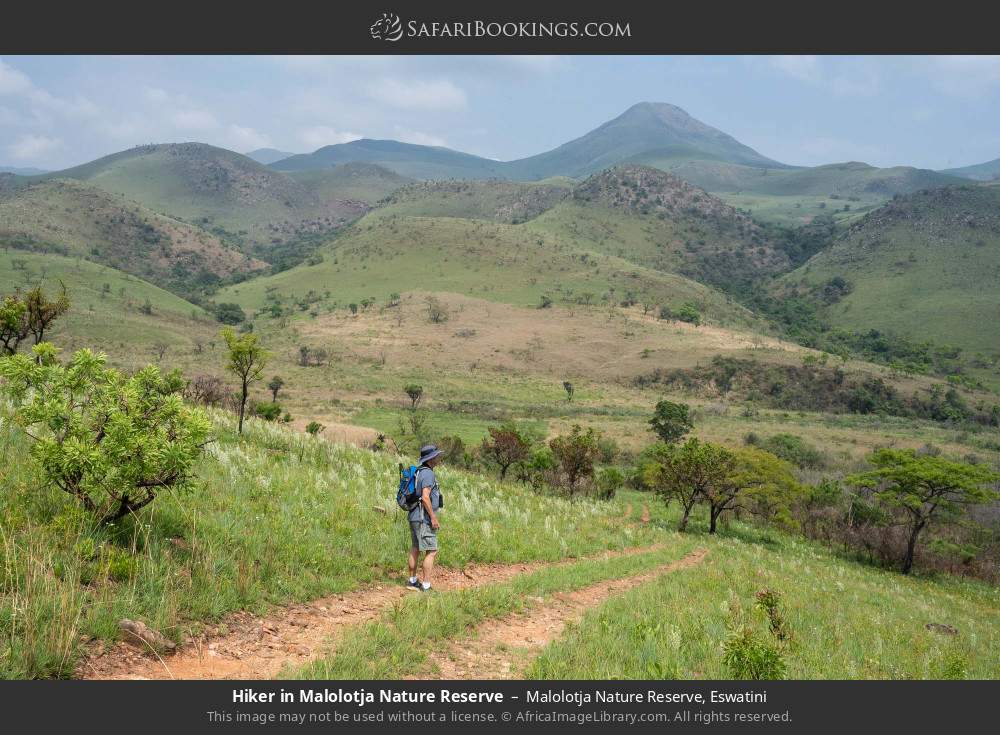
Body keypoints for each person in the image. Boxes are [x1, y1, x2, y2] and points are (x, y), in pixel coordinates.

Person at [407, 444, 444, 591]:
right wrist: (433, 517)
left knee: (416, 548)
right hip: (424, 518)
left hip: (414, 515)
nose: (438, 458)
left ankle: (412, 580)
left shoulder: (418, 471)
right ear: (431, 458)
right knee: (432, 550)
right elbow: (426, 497)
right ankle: (426, 586)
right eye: (436, 456)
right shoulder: (428, 473)